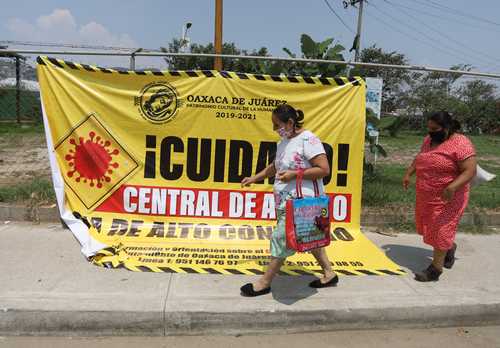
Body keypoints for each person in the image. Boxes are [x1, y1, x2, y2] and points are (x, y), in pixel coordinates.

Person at [239, 103, 338, 297]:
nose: (275, 129)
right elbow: (275, 167)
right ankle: (329, 273)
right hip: (285, 203)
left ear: (290, 122)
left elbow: (324, 169)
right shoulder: (284, 142)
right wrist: (254, 178)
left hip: (302, 203)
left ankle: (264, 283)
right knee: (309, 237)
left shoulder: (308, 139)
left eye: (277, 125)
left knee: (280, 238)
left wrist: (294, 174)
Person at [403, 111, 476, 282]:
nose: (430, 131)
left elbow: (470, 170)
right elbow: (420, 157)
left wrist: (452, 186)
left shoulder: (461, 143)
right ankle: (449, 248)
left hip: (450, 196)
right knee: (429, 227)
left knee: (440, 229)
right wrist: (408, 173)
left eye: (434, 128)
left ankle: (435, 269)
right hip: (426, 195)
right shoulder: (429, 140)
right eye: (428, 127)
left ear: (447, 127)